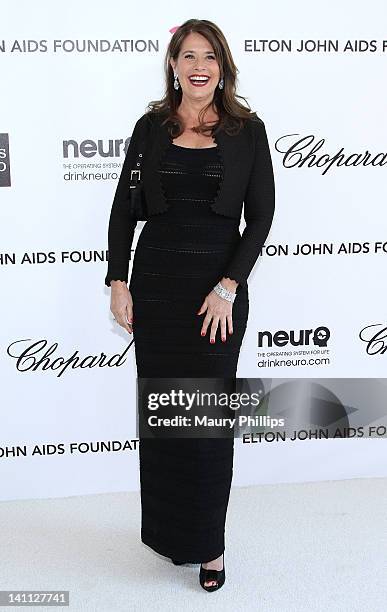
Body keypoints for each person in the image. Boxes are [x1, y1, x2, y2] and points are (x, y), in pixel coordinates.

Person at [104, 18, 275, 592]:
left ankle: (211, 549)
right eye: (187, 55)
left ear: (222, 66)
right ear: (173, 65)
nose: (198, 65)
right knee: (166, 421)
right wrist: (118, 281)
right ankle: (175, 538)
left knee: (203, 427)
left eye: (209, 56)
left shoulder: (247, 130)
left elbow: (261, 218)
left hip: (215, 296)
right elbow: (124, 209)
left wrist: (228, 285)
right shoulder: (150, 127)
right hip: (155, 289)